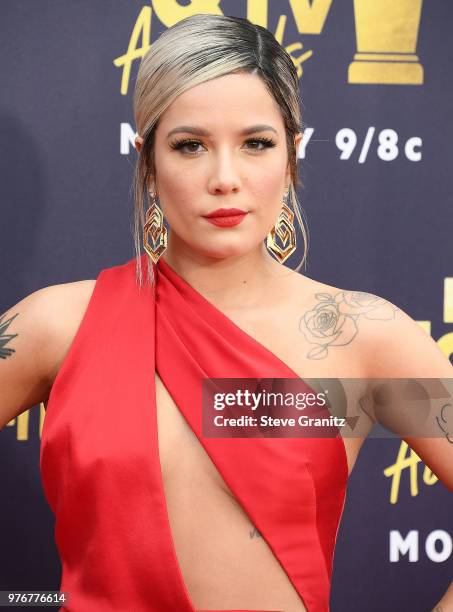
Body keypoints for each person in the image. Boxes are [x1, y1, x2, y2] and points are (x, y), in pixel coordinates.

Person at [1, 13, 452, 612]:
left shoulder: (361, 336)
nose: (225, 179)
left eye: (256, 144)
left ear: (292, 156)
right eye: (190, 146)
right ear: (148, 164)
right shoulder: (55, 326)